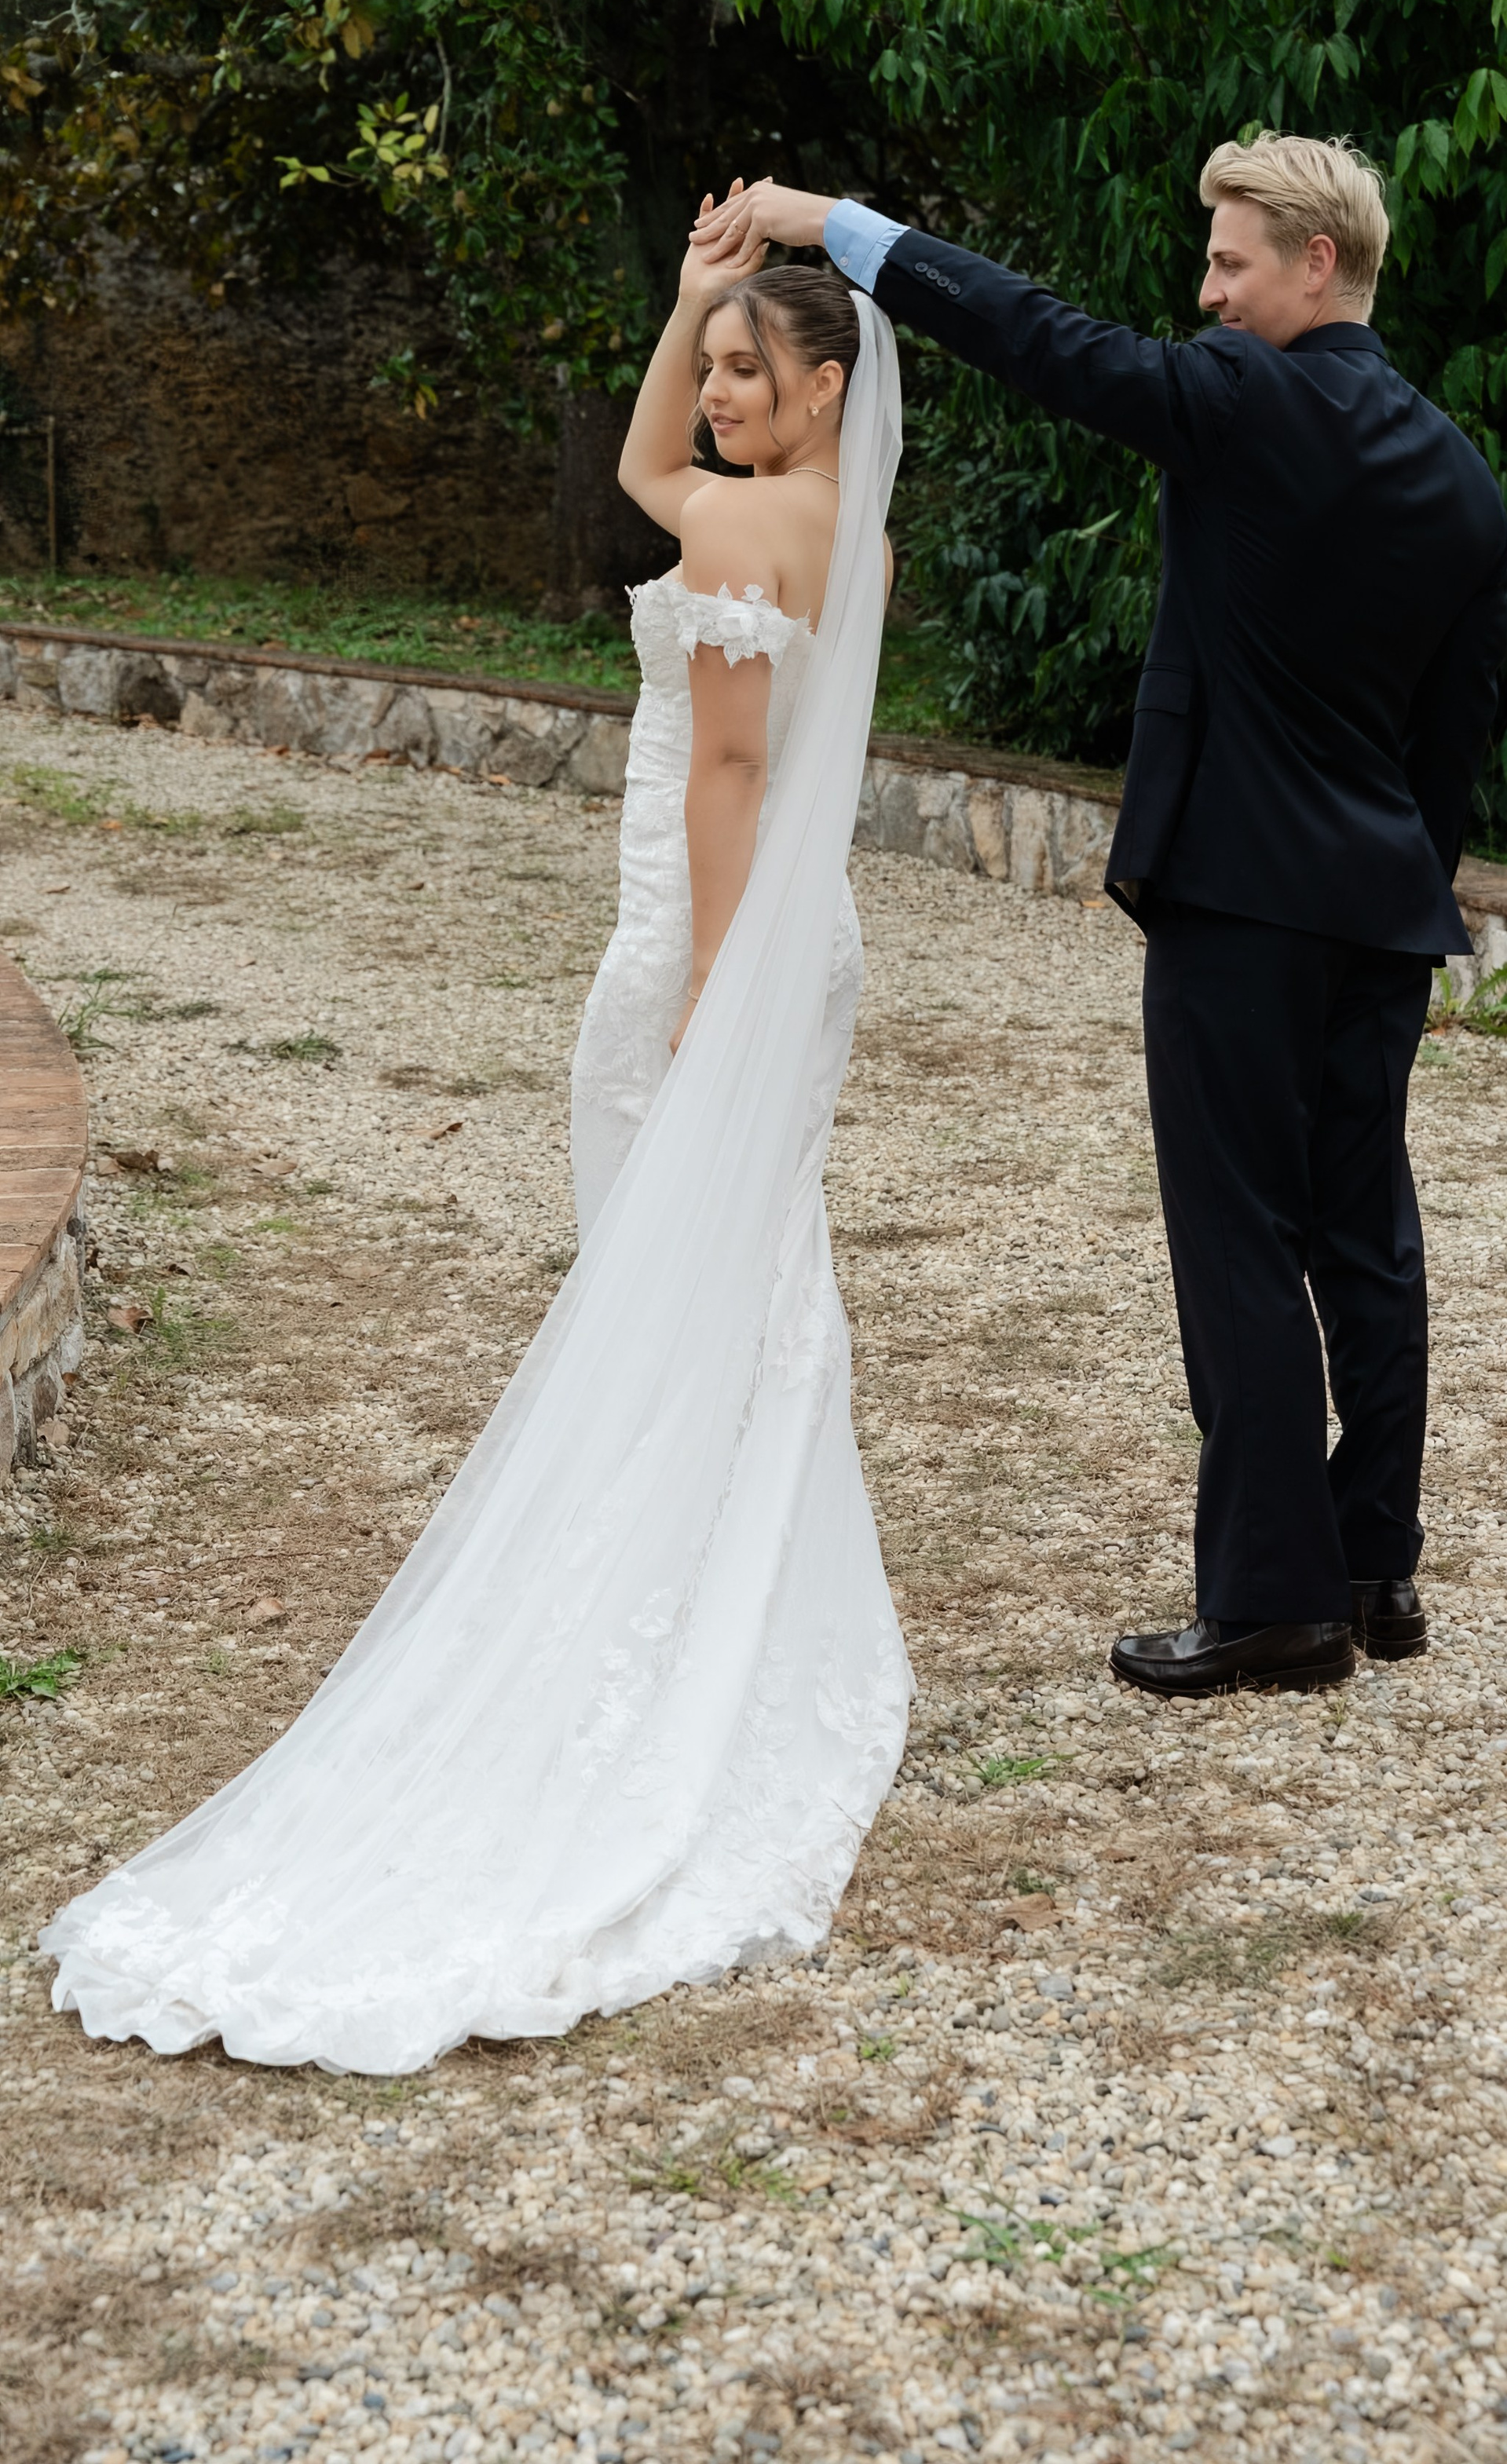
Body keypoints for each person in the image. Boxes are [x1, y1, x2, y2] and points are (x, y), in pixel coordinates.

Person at [41, 203, 913, 2074]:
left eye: (752, 373)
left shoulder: (752, 519)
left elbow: (739, 774)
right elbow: (636, 463)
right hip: (789, 932)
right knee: (743, 1276)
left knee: (670, 1273)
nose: (719, 397)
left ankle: (663, 1614)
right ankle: (732, 1600)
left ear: (828, 385)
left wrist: (700, 998)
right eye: (721, 370)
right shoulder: (833, 517)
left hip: (713, 931)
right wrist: (690, 303)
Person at [694, 136, 1507, 1702]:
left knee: (1238, 1242)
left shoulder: (1241, 402)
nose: (1203, 292)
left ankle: (1273, 1606)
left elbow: (1037, 338)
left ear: (1315, 266)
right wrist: (1398, 887)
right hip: (1378, 907)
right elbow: (1444, 747)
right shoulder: (1454, 473)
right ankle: (1368, 1566)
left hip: (1235, 896)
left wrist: (838, 227)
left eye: (1228, 262)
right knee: (1365, 1236)